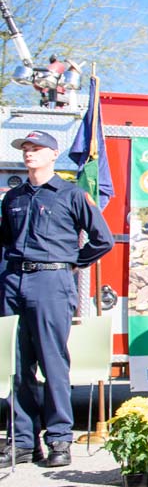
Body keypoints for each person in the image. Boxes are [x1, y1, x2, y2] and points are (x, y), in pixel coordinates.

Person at [0, 130, 113, 466]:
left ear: (53, 154)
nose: (29, 154)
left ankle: (59, 440)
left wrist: (71, 263)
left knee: (52, 363)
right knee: (17, 367)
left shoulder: (70, 194)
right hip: (13, 281)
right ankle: (22, 441)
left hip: (50, 281)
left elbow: (101, 239)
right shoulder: (13, 198)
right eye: (25, 149)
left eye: (36, 149)